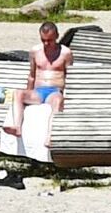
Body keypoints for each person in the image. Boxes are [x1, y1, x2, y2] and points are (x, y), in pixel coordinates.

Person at [16, 19, 71, 166]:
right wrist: (28, 91)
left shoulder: (65, 53)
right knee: (18, 94)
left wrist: (67, 95)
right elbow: (32, 75)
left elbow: (69, 76)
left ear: (57, 36)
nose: (47, 44)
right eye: (44, 40)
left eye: (50, 40)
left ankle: (50, 136)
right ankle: (16, 126)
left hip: (55, 90)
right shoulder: (35, 51)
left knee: (57, 101)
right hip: (38, 91)